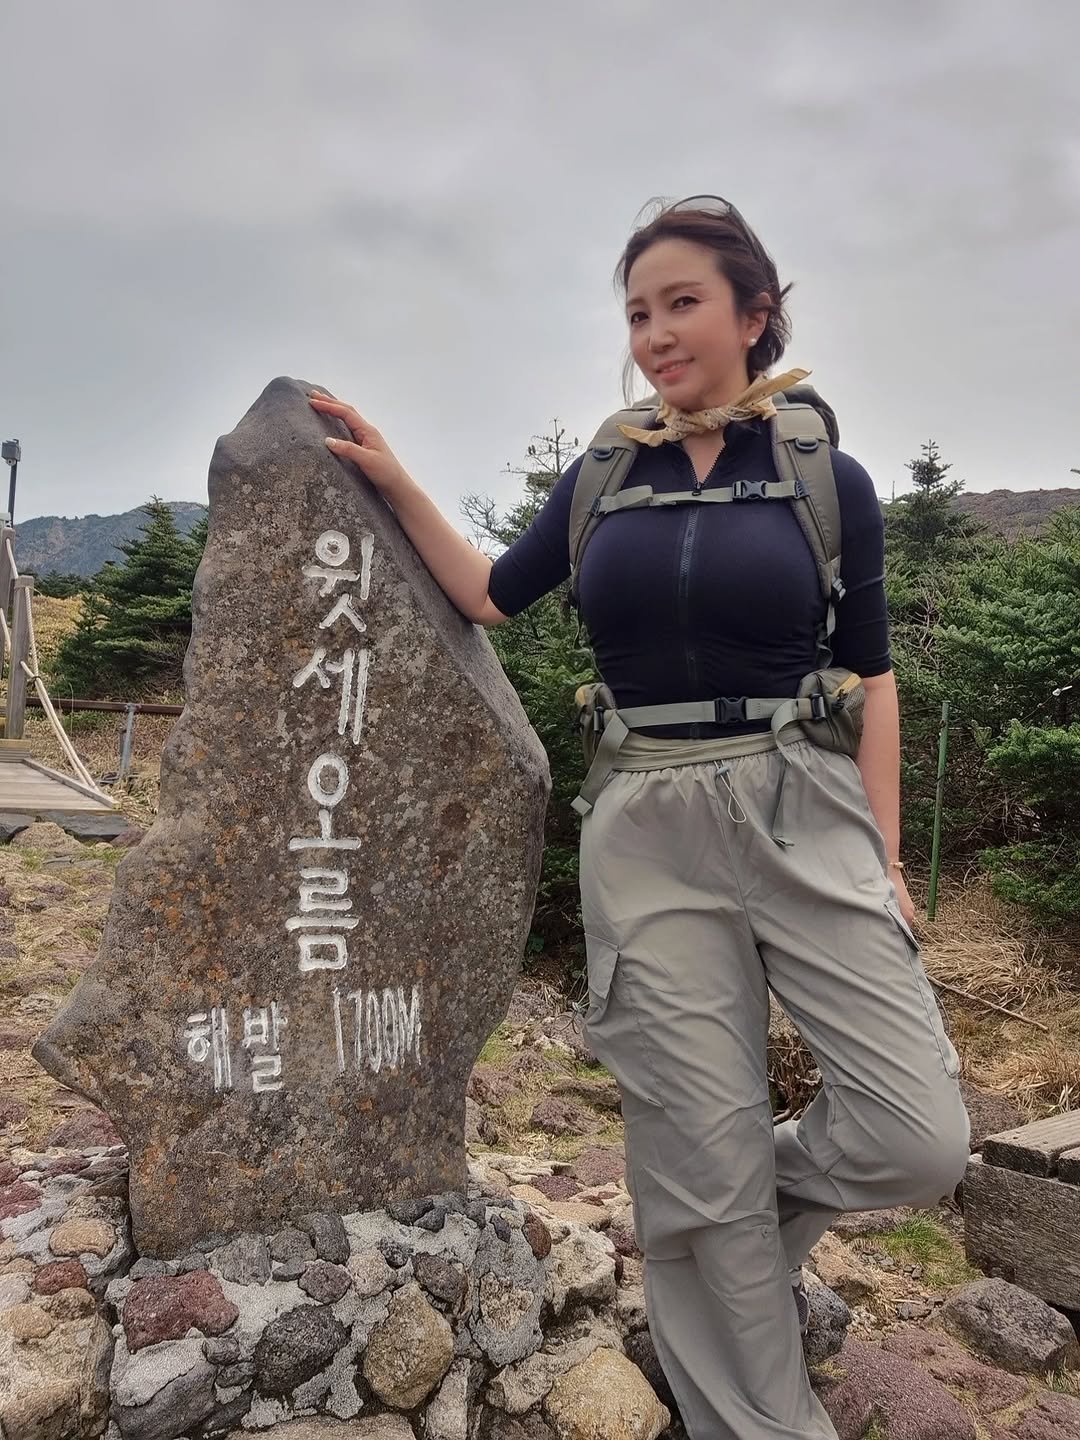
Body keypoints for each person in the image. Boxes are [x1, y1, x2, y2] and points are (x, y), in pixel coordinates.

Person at [309, 195, 971, 1440]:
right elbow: (492, 595)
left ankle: (717, 1207)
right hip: (646, 822)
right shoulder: (608, 470)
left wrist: (884, 851)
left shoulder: (829, 476)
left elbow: (874, 672)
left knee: (916, 1135)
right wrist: (395, 478)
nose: (656, 335)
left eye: (682, 305)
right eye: (637, 314)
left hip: (805, 803)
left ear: (753, 313)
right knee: (692, 1153)